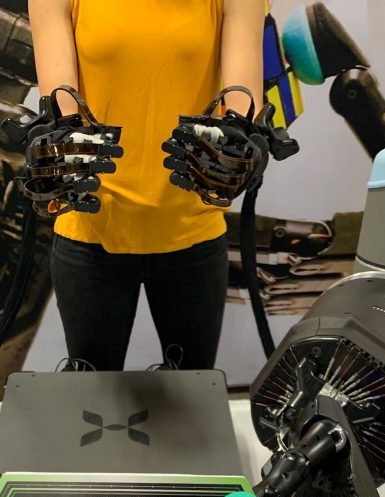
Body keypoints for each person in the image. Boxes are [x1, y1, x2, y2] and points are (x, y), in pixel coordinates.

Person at [30, 0, 265, 371]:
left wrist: (241, 146)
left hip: (193, 230)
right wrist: (56, 147)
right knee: (91, 395)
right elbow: (62, 113)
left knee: (192, 391)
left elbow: (242, 109)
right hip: (91, 230)